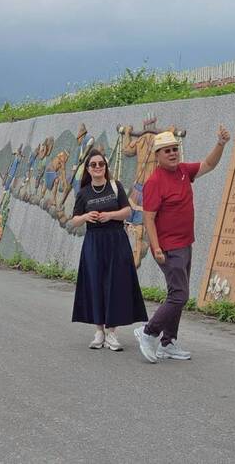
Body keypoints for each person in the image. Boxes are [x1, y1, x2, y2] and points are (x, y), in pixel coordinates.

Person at [134, 126, 231, 363]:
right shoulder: (154, 182)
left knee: (176, 294)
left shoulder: (184, 171)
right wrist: (156, 247)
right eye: (166, 150)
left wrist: (220, 144)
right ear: (157, 155)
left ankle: (167, 343)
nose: (172, 153)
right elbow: (148, 218)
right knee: (179, 295)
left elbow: (209, 164)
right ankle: (148, 332)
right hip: (168, 247)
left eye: (174, 149)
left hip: (185, 243)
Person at [71, 148, 148, 351]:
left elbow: (127, 211)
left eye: (101, 164)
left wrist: (110, 216)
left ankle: (112, 333)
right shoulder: (83, 193)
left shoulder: (115, 186)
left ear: (106, 167)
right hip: (94, 242)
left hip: (116, 240)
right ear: (88, 169)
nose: (98, 167)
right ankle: (99, 331)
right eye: (93, 165)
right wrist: (86, 217)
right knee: (95, 283)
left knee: (115, 284)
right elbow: (75, 220)